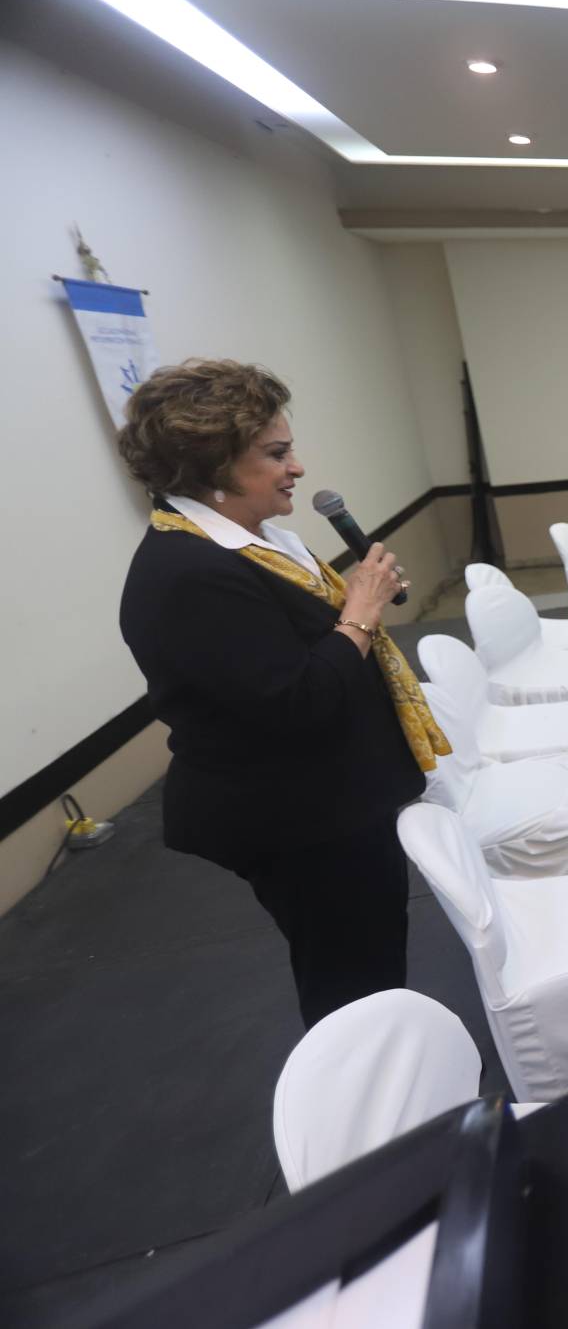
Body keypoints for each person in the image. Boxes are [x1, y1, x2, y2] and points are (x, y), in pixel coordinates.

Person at [117, 359, 437, 1027]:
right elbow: (297, 701)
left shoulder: (251, 544)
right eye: (276, 453)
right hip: (296, 818)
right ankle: (372, 1116)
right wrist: (360, 611)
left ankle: (395, 1084)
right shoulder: (189, 574)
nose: (296, 467)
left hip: (334, 800)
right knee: (353, 980)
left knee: (373, 955)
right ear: (212, 464)